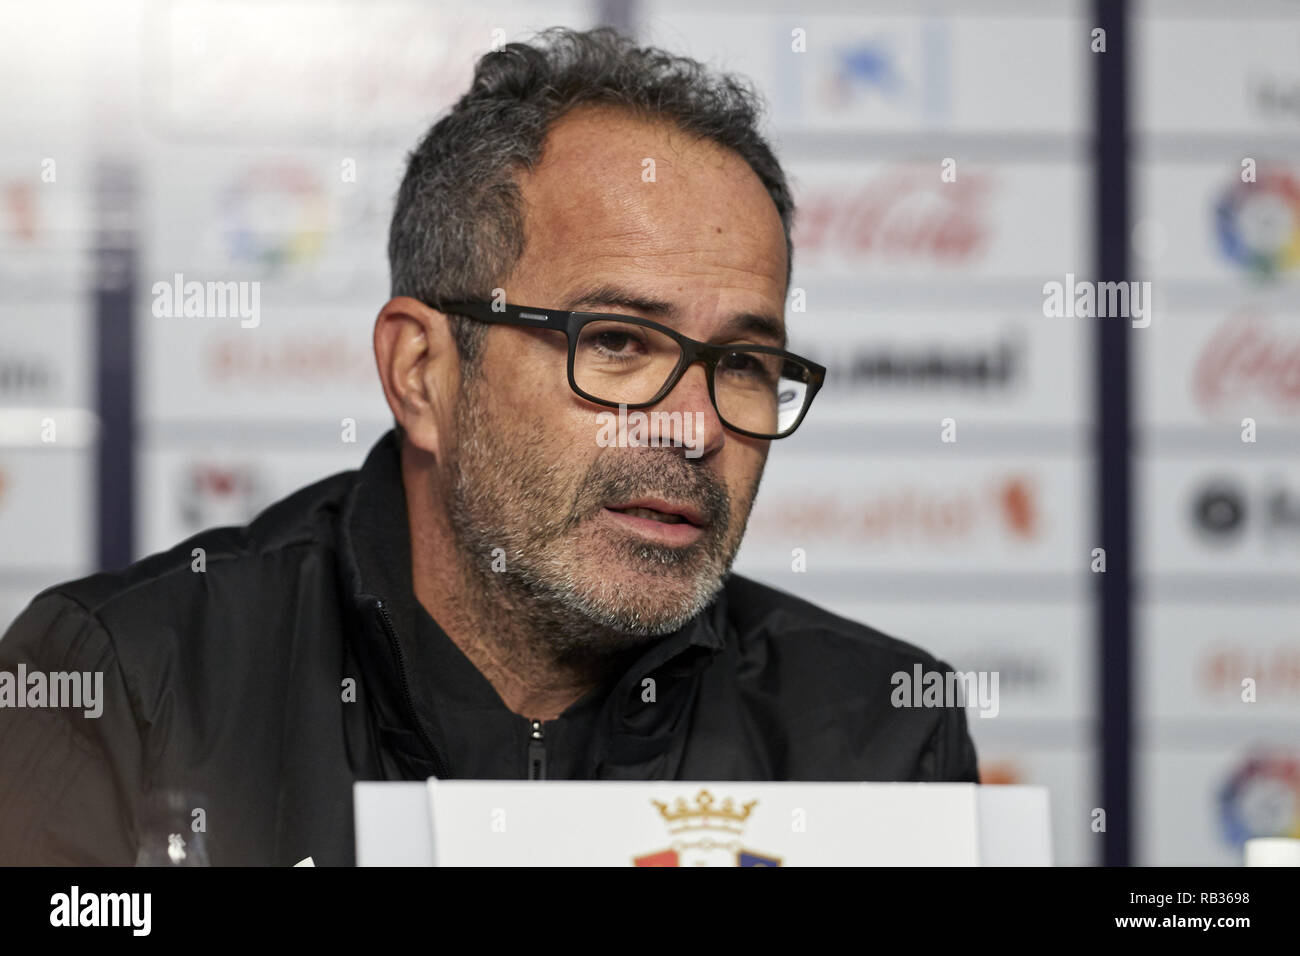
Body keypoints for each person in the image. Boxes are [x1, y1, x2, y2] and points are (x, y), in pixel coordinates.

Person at [0, 26, 977, 866]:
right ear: (423, 371)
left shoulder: (878, 729)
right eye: (619, 343)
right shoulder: (126, 681)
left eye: (745, 362)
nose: (697, 426)